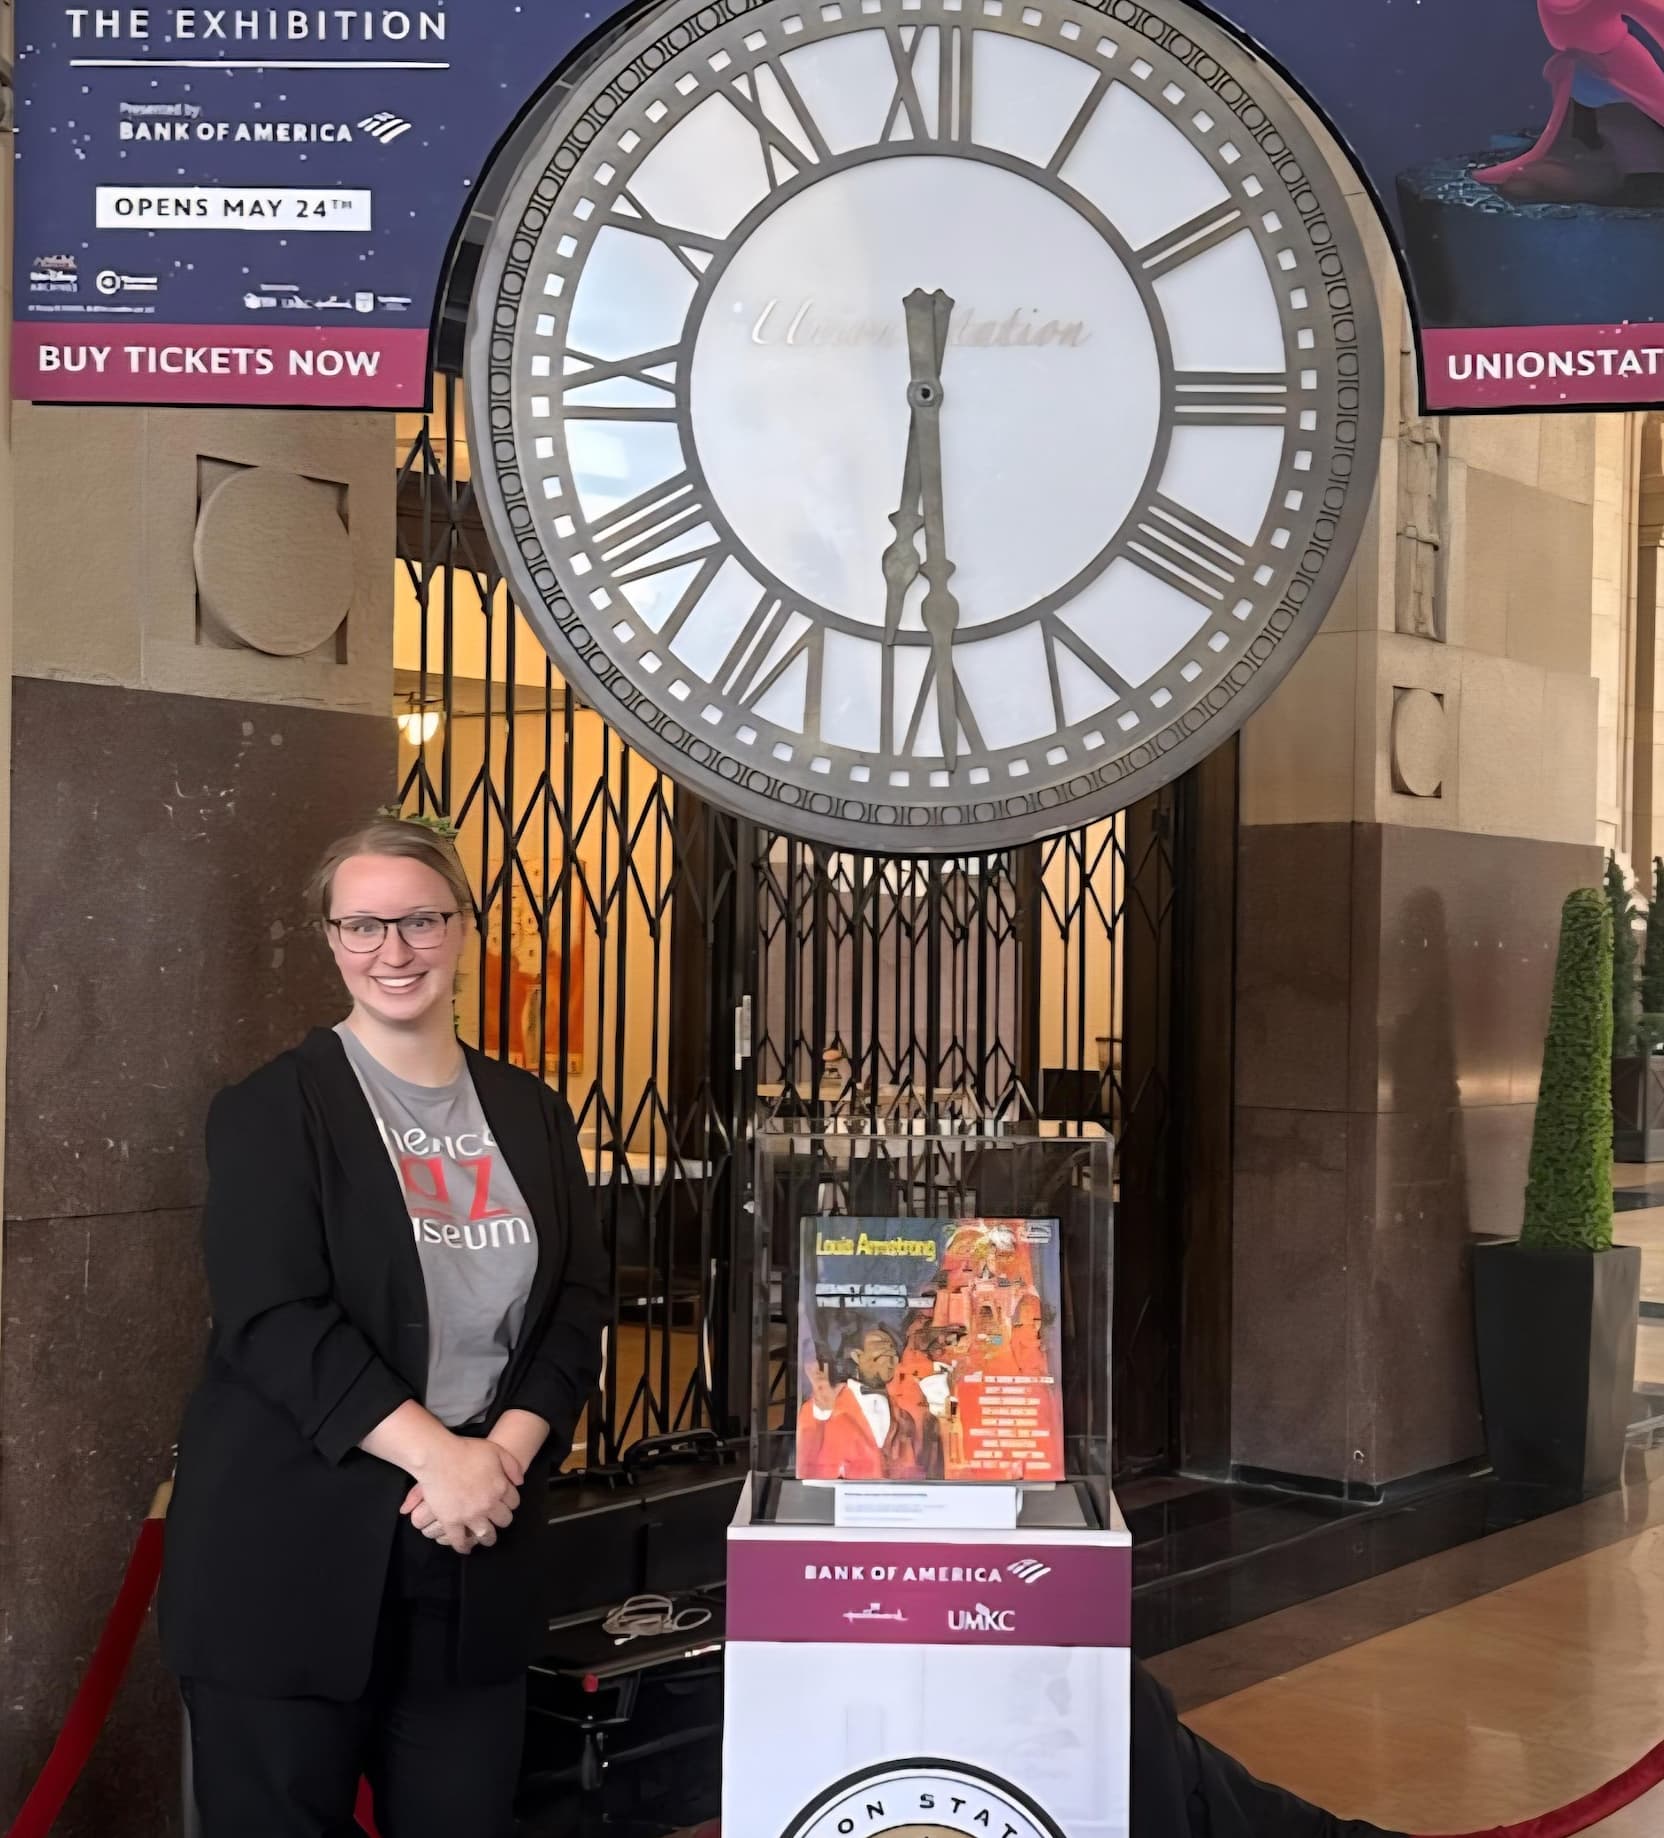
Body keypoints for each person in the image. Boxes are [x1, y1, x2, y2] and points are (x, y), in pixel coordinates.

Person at [159, 816, 609, 1838]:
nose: (391, 950)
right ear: (329, 937)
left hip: (470, 1551)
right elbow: (275, 1317)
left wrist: (495, 1457)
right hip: (286, 1560)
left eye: (418, 920)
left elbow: (577, 1301)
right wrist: (437, 1459)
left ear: (462, 927)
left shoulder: (529, 1111)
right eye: (361, 924)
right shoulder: (273, 1107)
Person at [798, 1323, 925, 1481]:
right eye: (879, 1345)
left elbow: (914, 1470)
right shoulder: (827, 1405)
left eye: (892, 1348)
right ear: (857, 1356)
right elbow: (804, 1455)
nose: (889, 1352)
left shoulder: (904, 1417)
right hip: (841, 1499)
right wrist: (823, 1411)